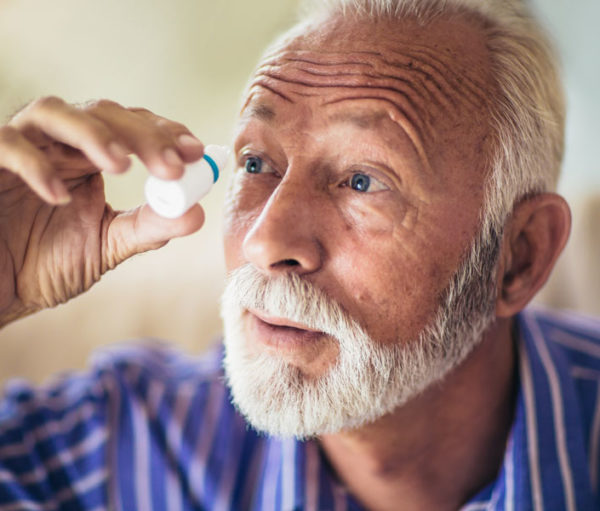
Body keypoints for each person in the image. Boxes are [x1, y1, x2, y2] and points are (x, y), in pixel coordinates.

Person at [0, 0, 598, 509]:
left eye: (362, 180)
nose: (265, 241)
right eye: (256, 164)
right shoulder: (133, 443)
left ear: (520, 256)